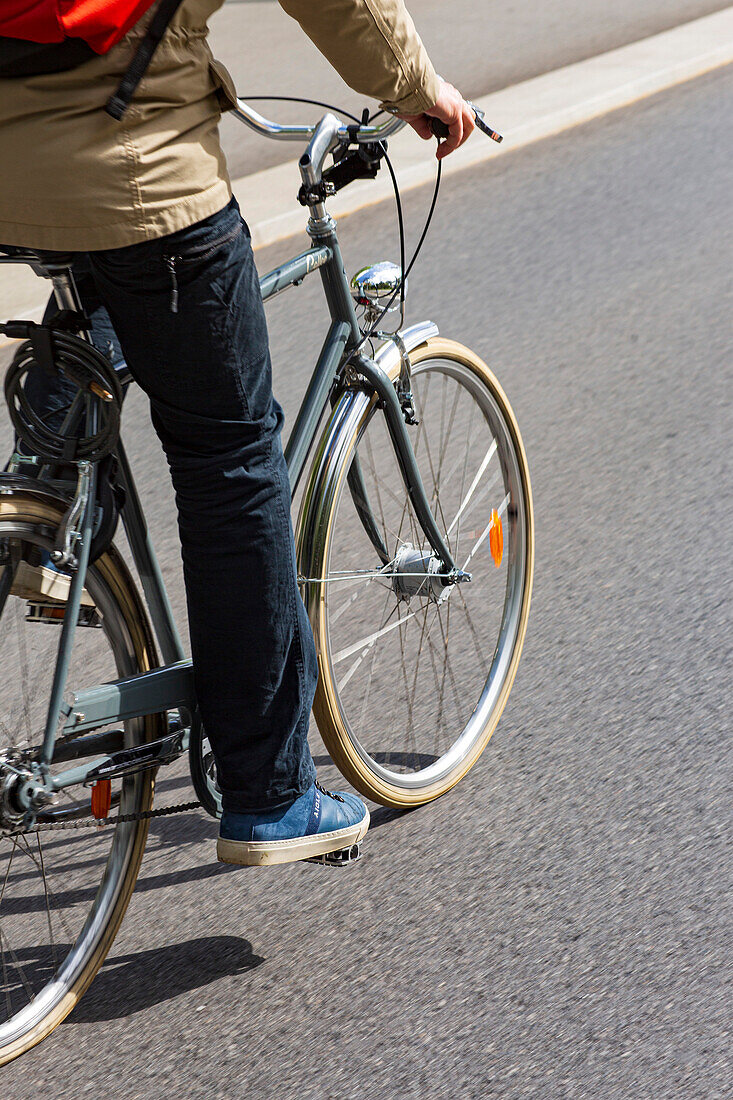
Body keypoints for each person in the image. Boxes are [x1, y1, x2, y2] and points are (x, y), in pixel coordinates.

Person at [0, 0, 474, 866]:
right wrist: (417, 88)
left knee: (101, 288)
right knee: (231, 462)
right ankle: (271, 791)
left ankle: (46, 519)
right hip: (137, 172)